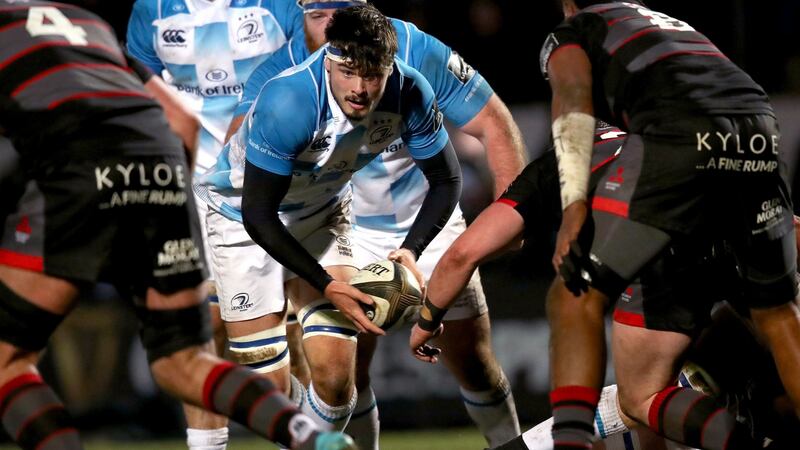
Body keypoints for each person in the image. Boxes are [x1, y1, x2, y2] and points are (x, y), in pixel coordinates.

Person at [0, 2, 355, 449]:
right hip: (168, 166)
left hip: (86, 169)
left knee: (6, 362)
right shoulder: (88, 20)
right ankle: (307, 435)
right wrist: (170, 217)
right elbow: (181, 121)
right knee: (185, 358)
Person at [226, 1, 526, 448]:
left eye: (341, 9)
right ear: (298, 15)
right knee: (345, 369)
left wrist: (512, 220)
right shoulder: (281, 75)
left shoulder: (412, 50)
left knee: (471, 358)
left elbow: (494, 125)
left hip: (424, 218)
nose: (332, 25)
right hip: (339, 226)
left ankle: (511, 444)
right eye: (317, 16)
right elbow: (241, 166)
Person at [193, 3, 462, 439]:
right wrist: (327, 283)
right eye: (349, 71)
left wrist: (410, 251)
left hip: (323, 212)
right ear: (329, 60)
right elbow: (258, 214)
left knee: (338, 378)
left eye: (373, 73)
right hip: (241, 220)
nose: (360, 87)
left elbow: (447, 179)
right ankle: (311, 437)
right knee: (272, 391)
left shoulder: (410, 91)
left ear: (390, 67)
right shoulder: (290, 100)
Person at [540, 0, 800, 448]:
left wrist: (574, 204)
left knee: (573, 292)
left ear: (568, 5)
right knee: (777, 314)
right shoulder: (673, 25)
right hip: (759, 127)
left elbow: (572, 98)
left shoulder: (575, 31)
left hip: (681, 134)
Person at [125, 1, 304, 446]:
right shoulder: (151, 9)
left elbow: (311, 70)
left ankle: (308, 428)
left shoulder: (279, 5)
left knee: (290, 341)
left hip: (274, 185)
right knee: (204, 329)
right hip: (192, 192)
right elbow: (140, 92)